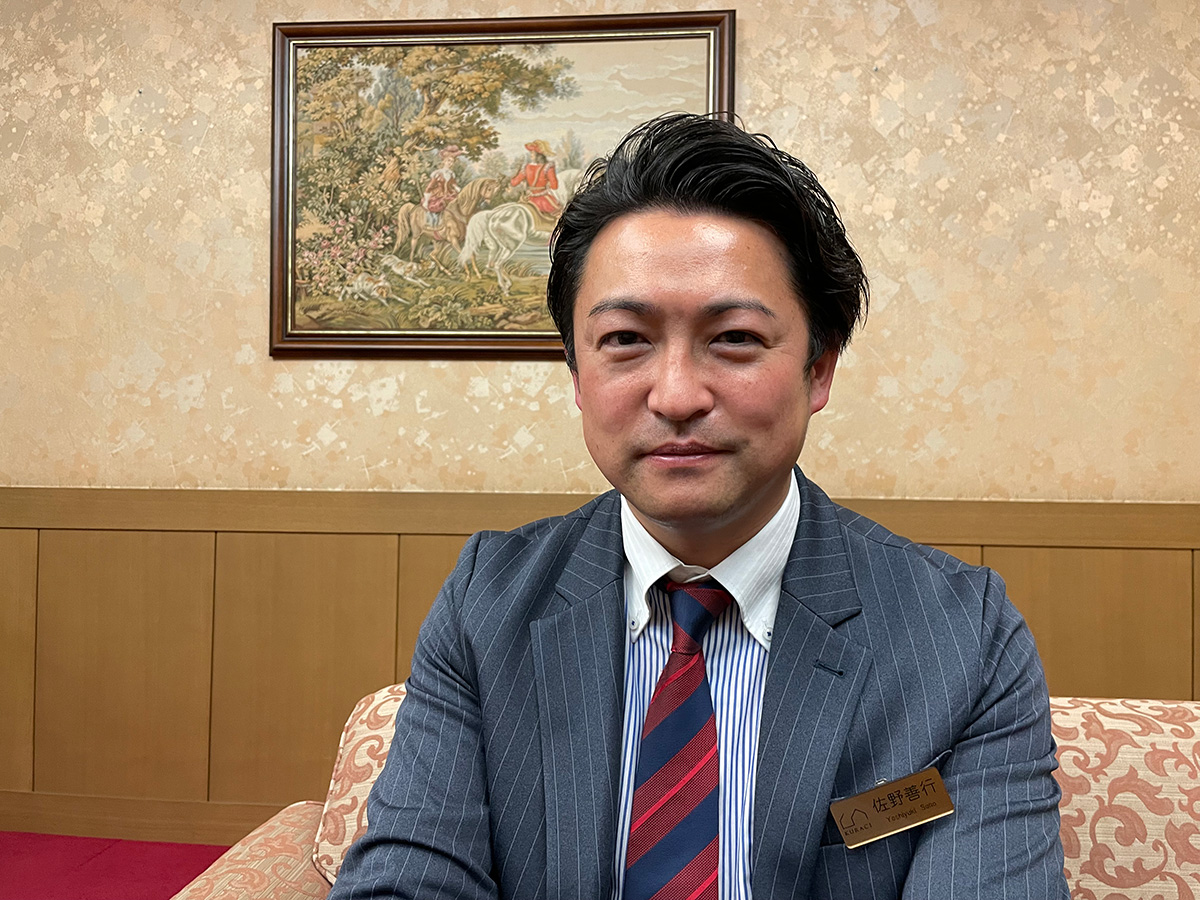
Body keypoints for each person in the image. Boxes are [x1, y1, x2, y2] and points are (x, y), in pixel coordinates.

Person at [330, 113, 1069, 899]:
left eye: (735, 338)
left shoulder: (961, 635)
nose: (677, 396)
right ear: (576, 375)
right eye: (625, 339)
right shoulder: (490, 603)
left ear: (818, 369)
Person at [510, 139, 562, 220]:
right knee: (560, 214)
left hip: (529, 200)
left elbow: (514, 183)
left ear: (538, 155)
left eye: (532, 153)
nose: (530, 155)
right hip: (544, 201)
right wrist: (547, 183)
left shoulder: (526, 167)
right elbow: (554, 186)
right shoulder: (548, 167)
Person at [421, 145, 463, 229]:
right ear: (444, 161)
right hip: (437, 194)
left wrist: (456, 187)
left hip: (448, 193)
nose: (450, 163)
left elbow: (453, 183)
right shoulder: (437, 173)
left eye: (452, 162)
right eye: (448, 161)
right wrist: (426, 200)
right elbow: (429, 187)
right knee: (436, 206)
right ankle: (432, 223)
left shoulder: (451, 174)